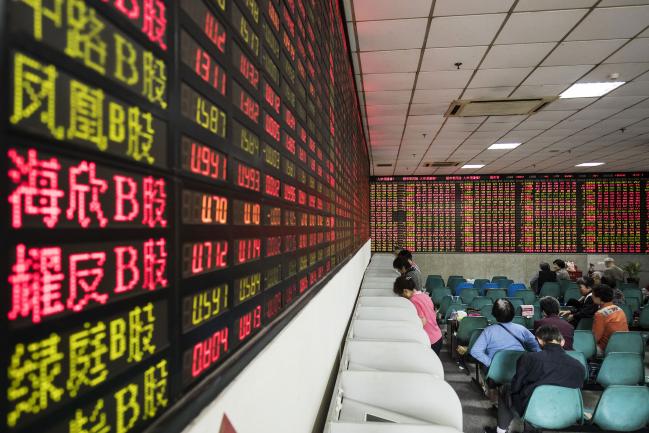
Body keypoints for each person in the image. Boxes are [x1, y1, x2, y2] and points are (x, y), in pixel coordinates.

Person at [484, 325, 585, 433]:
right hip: (568, 412)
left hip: (533, 409)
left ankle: (500, 431)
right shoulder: (579, 366)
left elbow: (515, 387)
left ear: (540, 340)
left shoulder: (529, 358)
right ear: (562, 342)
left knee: (506, 388)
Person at [470, 299, 540, 368]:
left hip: (497, 373)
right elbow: (537, 347)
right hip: (520, 369)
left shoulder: (488, 331)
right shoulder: (522, 329)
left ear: (494, 314)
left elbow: (475, 351)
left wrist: (492, 364)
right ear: (513, 313)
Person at [393, 275, 443, 354]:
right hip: (437, 336)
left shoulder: (413, 301)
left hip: (429, 340)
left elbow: (422, 321)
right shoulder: (425, 295)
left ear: (406, 291)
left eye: (401, 295)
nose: (403, 297)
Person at [592, 284, 628, 354]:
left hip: (606, 348)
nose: (592, 296)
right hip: (623, 346)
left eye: (593, 295)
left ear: (599, 298)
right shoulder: (619, 309)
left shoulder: (600, 314)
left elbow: (595, 338)